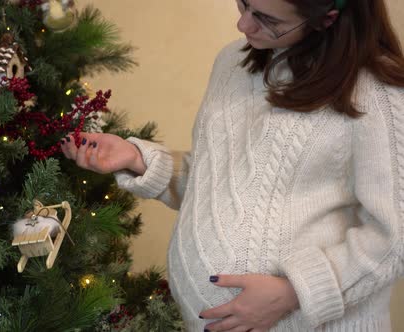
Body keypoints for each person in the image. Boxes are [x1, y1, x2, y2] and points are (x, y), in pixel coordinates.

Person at [60, 0, 404, 330]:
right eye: (244, 4)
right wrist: (138, 160)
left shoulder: (377, 92)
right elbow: (226, 184)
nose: (243, 24)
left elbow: (395, 237)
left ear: (326, 18)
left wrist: (293, 293)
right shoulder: (232, 63)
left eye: (269, 20)